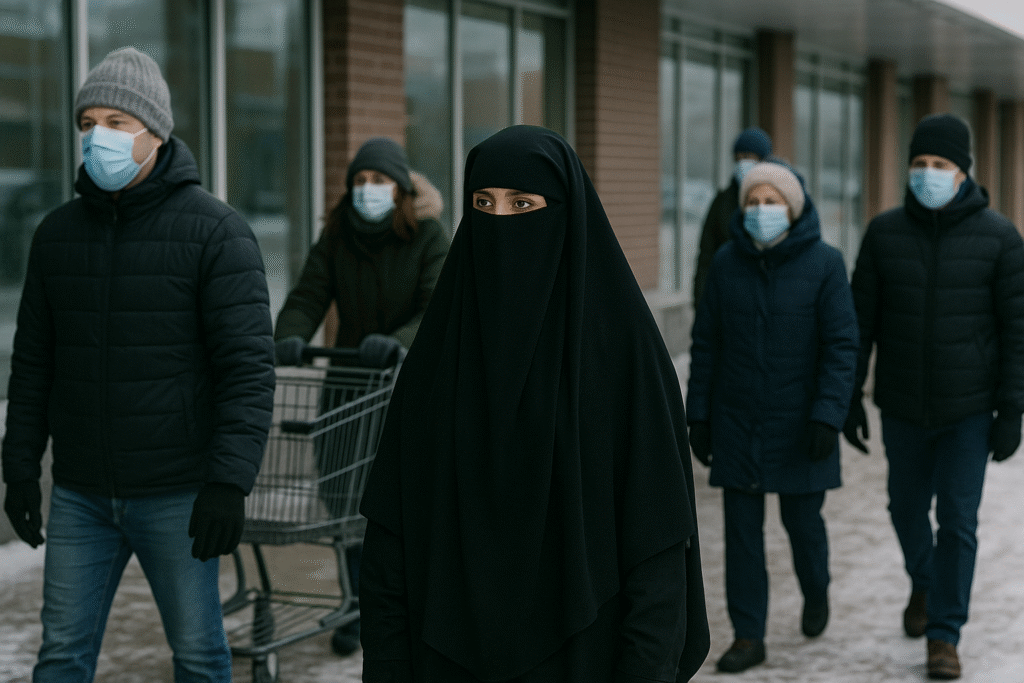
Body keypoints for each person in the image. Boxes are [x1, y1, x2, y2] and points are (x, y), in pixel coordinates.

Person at [357, 125, 710, 683]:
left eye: (522, 204)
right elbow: (390, 539)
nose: (500, 222)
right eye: (483, 204)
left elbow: (657, 547)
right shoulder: (440, 359)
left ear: (566, 213)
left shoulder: (624, 355)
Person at [0, 47, 275, 682]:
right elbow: (34, 363)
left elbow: (246, 369)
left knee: (201, 658)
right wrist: (19, 469)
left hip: (177, 491)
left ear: (156, 132)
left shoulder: (216, 233)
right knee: (61, 657)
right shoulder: (56, 236)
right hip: (81, 493)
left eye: (117, 123)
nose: (99, 137)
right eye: (88, 122)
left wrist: (229, 482)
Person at [843, 113, 1024, 680]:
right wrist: (847, 395)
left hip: (969, 409)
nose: (927, 174)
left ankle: (944, 635)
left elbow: (1018, 330)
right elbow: (859, 322)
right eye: (919, 164)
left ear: (963, 171)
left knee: (959, 522)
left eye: (939, 165)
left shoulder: (1000, 238)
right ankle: (925, 580)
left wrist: (1013, 409)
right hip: (901, 405)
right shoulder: (884, 233)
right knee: (903, 509)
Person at [272, 136, 449, 657]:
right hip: (348, 387)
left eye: (379, 181)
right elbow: (308, 294)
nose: (368, 190)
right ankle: (358, 604)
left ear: (400, 188)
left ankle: (403, 606)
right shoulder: (338, 235)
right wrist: (290, 333)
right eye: (360, 181)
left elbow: (439, 307)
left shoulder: (428, 235)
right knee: (345, 501)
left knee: (398, 507)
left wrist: (395, 344)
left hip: (403, 389)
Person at [686, 161, 858, 673]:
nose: (762, 210)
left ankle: (816, 589)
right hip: (738, 421)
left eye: (772, 201)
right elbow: (706, 344)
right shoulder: (725, 264)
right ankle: (748, 635)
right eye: (753, 202)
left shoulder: (825, 264)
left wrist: (829, 415)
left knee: (802, 523)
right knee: (741, 534)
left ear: (794, 207)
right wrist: (699, 415)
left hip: (801, 423)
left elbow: (841, 346)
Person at [692, 127, 773, 305]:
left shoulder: (778, 202)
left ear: (763, 160)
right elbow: (706, 254)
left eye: (748, 157)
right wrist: (700, 302)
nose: (742, 163)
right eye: (738, 158)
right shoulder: (722, 201)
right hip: (729, 299)